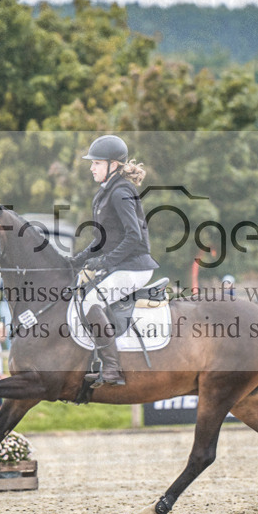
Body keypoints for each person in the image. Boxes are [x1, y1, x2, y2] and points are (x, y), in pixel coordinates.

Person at [71, 135, 159, 387]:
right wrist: (78, 259)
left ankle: (112, 367)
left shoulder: (120, 192)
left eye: (96, 163)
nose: (91, 167)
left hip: (136, 267)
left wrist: (106, 261)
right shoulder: (104, 194)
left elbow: (134, 236)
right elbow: (102, 239)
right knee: (81, 293)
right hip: (122, 265)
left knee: (91, 300)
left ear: (112, 165)